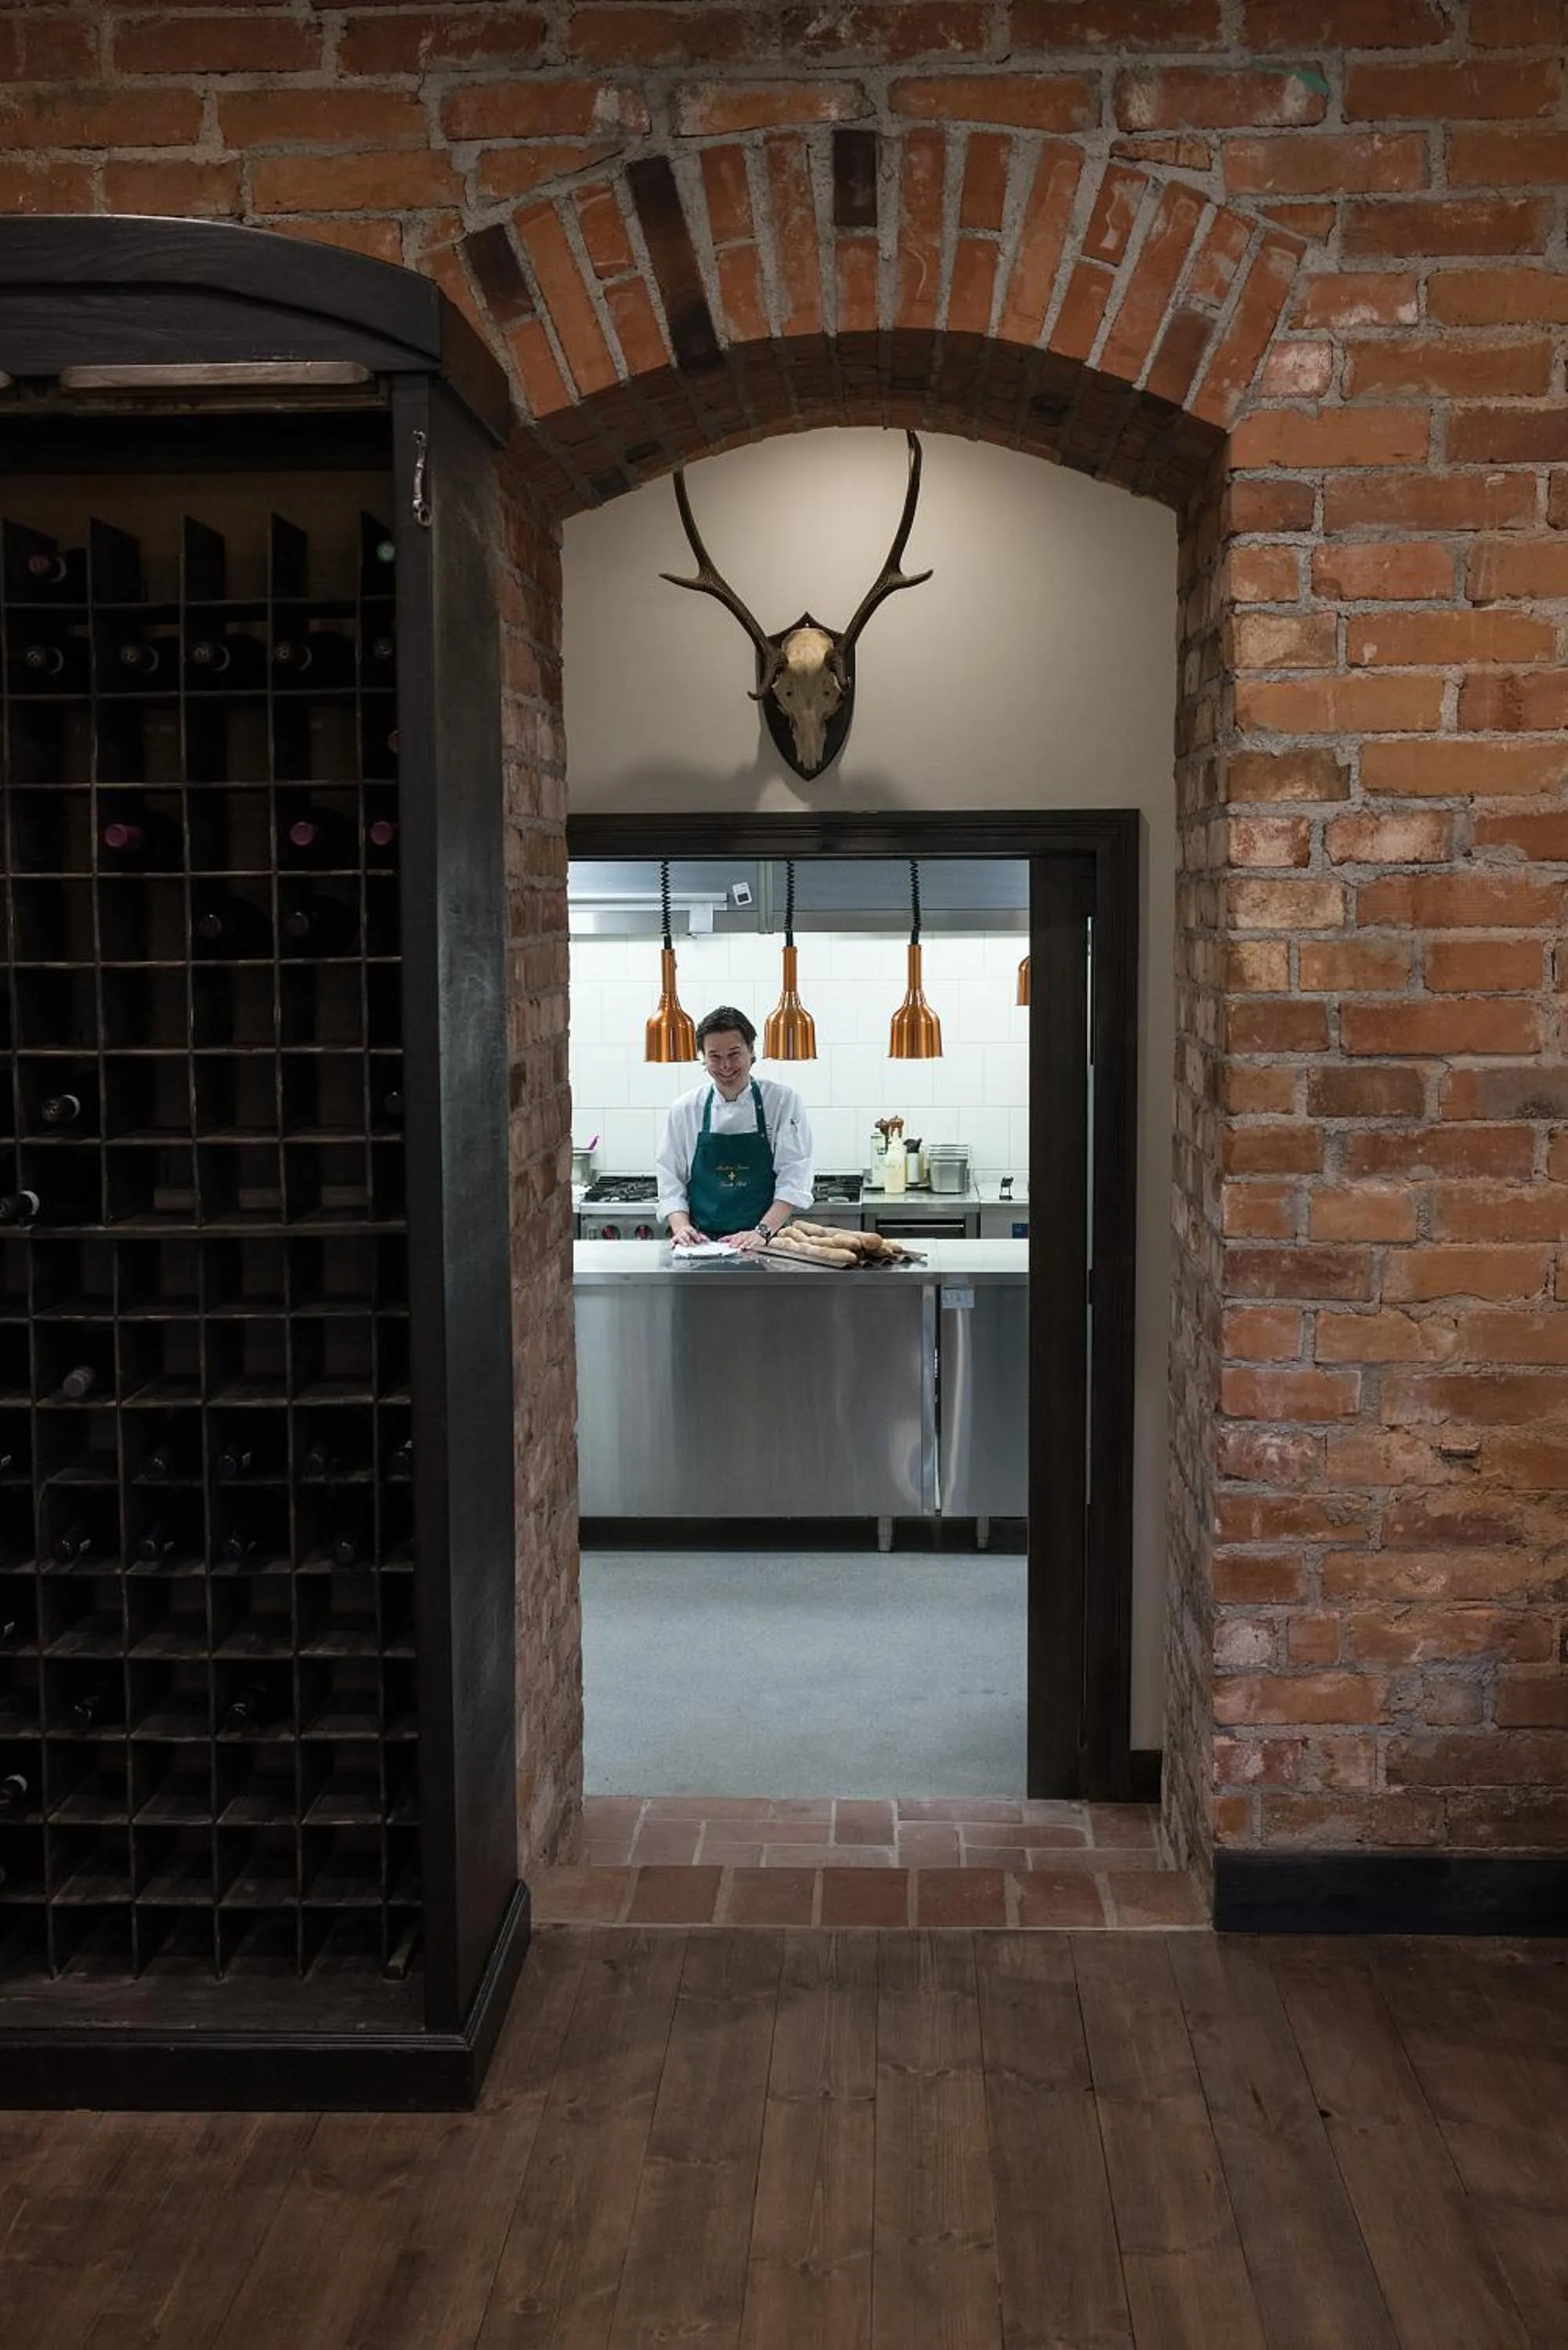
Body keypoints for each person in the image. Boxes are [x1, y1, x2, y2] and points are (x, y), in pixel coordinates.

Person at [656, 1005, 814, 1253]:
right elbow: (670, 1180)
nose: (725, 1066)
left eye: (734, 1054)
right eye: (715, 1057)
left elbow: (794, 1178)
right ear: (704, 1058)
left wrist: (761, 1232)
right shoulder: (685, 1109)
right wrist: (681, 1227)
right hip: (701, 1245)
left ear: (751, 1051)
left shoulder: (782, 1102)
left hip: (766, 1242)